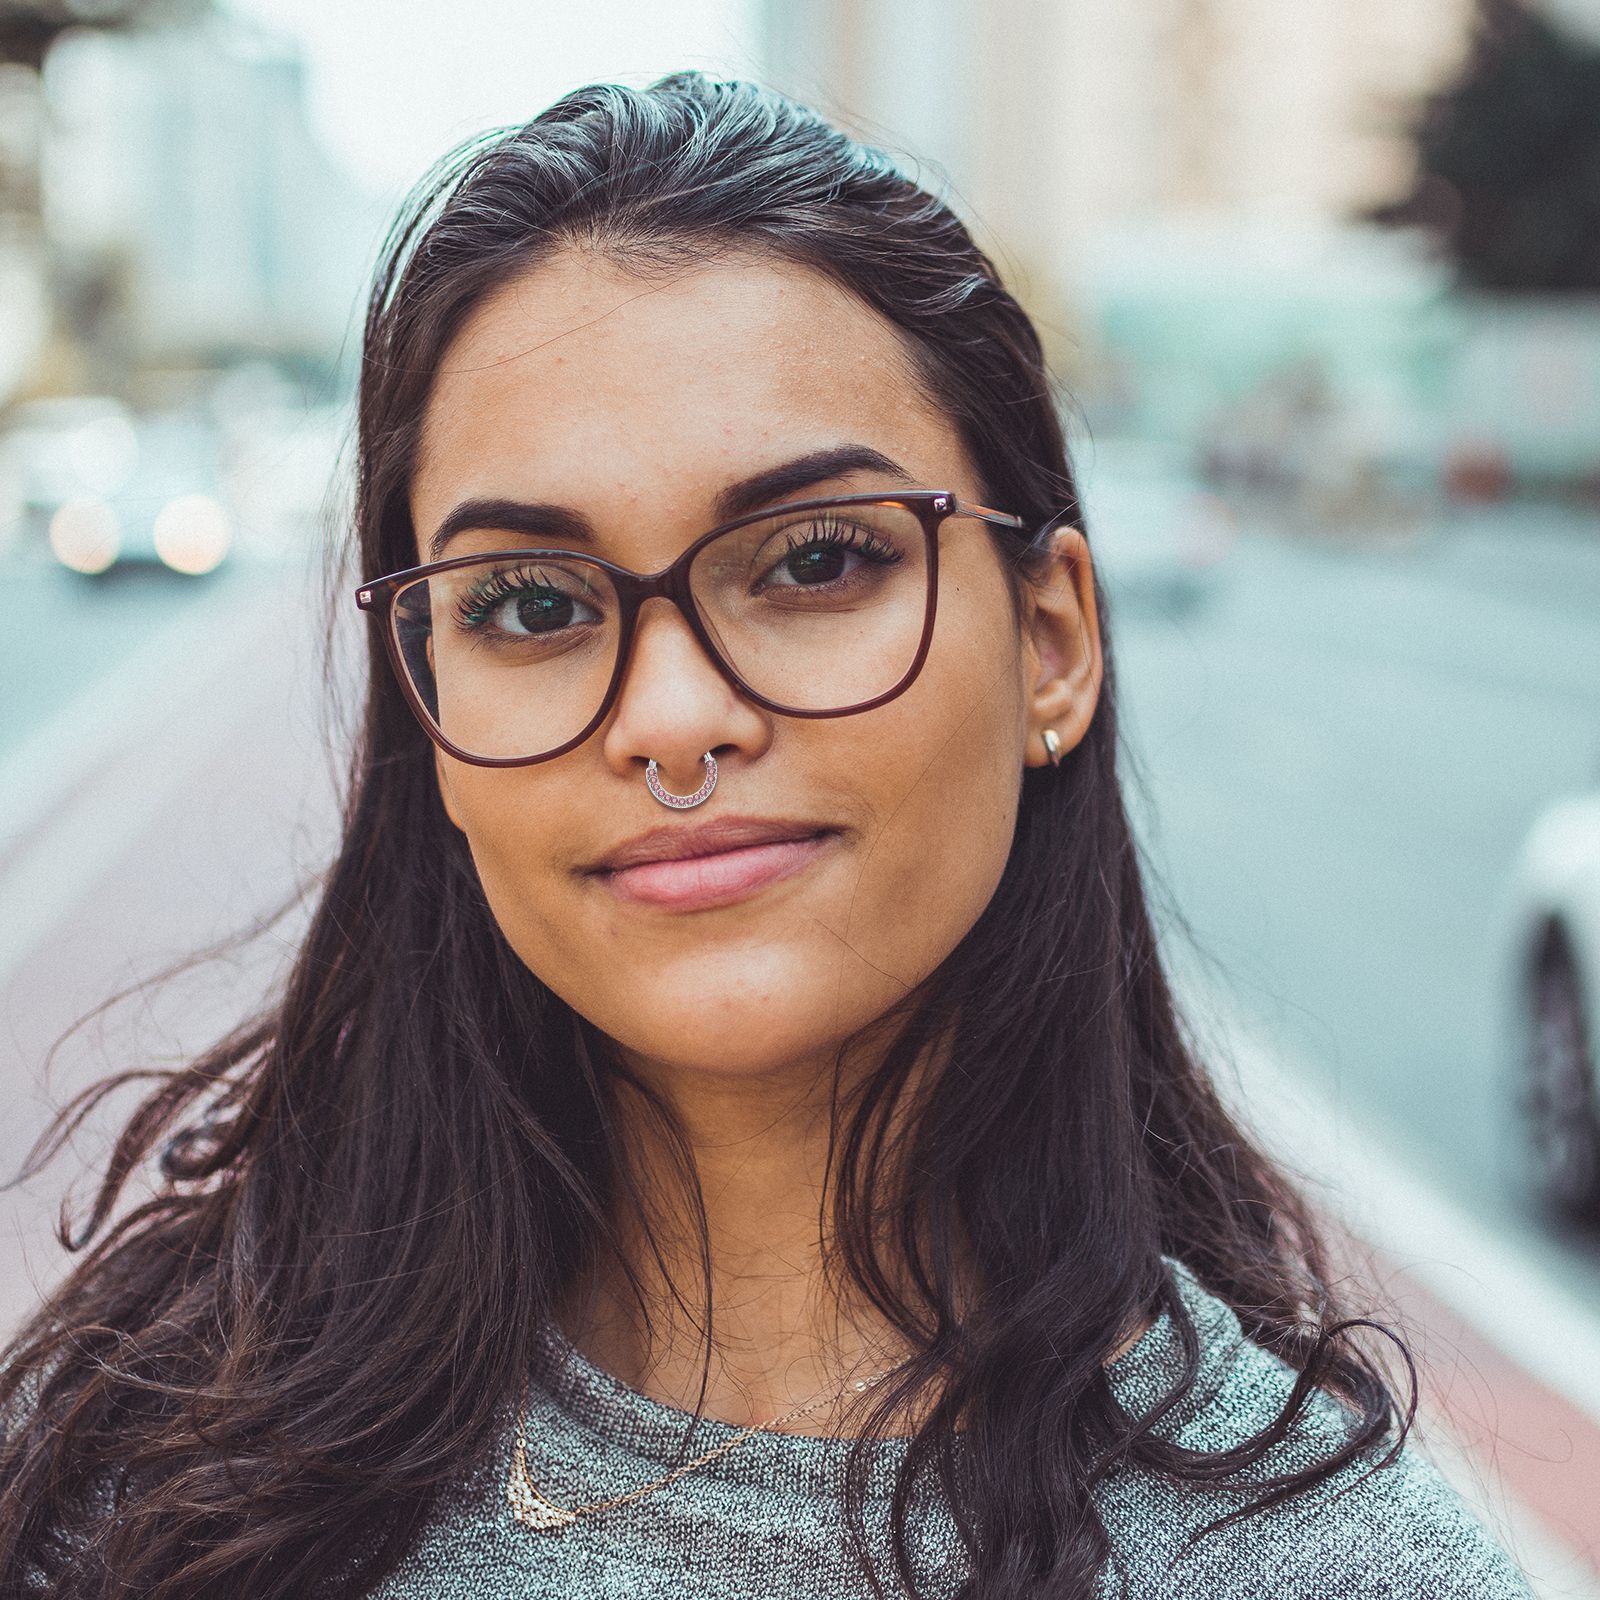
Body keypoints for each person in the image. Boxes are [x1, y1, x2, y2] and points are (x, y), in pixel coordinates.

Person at [0, 72, 1535, 1600]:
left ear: (1051, 642)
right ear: (429, 720)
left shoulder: (1346, 1567)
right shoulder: (137, 1480)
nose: (671, 716)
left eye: (812, 561)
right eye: (531, 603)